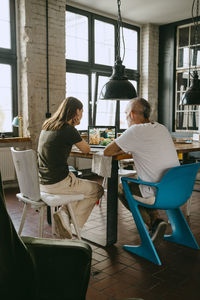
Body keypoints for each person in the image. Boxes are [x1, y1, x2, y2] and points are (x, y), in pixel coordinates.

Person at [104, 97, 180, 244]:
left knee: (121, 188)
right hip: (177, 189)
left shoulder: (134, 131)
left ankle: (154, 224)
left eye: (126, 113)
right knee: (138, 179)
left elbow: (108, 151)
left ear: (132, 114)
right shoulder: (161, 127)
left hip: (159, 192)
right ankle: (157, 220)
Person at [38, 97, 104, 239]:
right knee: (97, 190)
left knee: (78, 187)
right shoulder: (68, 129)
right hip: (58, 183)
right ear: (76, 111)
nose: (82, 114)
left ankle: (64, 215)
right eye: (82, 111)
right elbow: (86, 149)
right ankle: (69, 221)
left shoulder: (47, 125)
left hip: (42, 183)